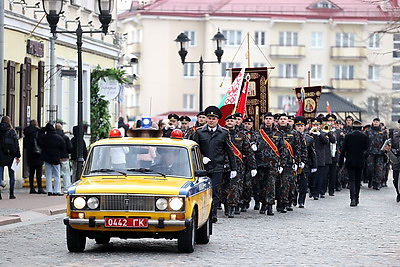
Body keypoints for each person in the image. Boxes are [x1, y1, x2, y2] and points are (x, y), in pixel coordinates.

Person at [192, 105, 237, 223]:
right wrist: (201, 158)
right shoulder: (200, 132)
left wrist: (234, 168)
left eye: (214, 119)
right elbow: (194, 149)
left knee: (215, 191)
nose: (211, 121)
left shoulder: (223, 133)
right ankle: (203, 214)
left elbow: (229, 151)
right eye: (209, 118)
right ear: (206, 119)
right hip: (202, 168)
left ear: (217, 120)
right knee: (202, 191)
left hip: (218, 166)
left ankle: (213, 214)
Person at [339, 120, 369, 206]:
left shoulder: (348, 136)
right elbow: (367, 150)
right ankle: (357, 198)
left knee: (351, 180)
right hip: (360, 160)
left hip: (350, 160)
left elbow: (343, 150)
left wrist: (341, 162)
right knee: (358, 180)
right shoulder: (364, 137)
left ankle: (352, 198)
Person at [38, 122, 66, 196]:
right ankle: (57, 190)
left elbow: (39, 139)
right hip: (56, 157)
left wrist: (42, 129)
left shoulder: (44, 137)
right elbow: (63, 146)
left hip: (46, 157)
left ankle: (49, 190)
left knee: (48, 174)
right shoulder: (58, 137)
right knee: (57, 174)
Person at [0, 116, 21, 199]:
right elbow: (16, 144)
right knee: (11, 175)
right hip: (10, 155)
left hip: (0, 155)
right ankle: (11, 194)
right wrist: (18, 155)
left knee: (0, 176)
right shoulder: (12, 131)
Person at [23, 119, 45, 194]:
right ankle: (40, 188)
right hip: (38, 154)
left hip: (29, 154)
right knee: (39, 172)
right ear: (36, 124)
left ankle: (32, 188)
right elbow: (42, 143)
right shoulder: (38, 132)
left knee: (31, 172)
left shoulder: (26, 133)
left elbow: (25, 145)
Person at [365, 118, 388, 190]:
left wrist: (385, 151)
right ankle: (371, 180)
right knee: (370, 168)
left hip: (380, 153)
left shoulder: (383, 131)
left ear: (379, 123)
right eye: (374, 122)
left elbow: (386, 142)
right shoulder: (368, 131)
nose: (375, 123)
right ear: (372, 122)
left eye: (377, 122)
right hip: (370, 152)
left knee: (379, 169)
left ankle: (377, 183)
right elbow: (365, 141)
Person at [55, 123, 73, 190]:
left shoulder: (54, 137)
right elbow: (70, 147)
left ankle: (57, 188)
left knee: (57, 174)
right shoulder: (65, 137)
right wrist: (68, 153)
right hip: (64, 157)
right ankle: (67, 187)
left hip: (56, 158)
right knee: (66, 173)